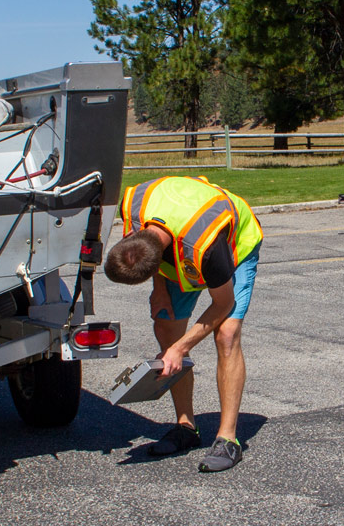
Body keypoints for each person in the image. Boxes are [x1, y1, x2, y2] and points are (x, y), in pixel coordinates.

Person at [104, 176, 263, 472]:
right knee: (165, 325)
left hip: (234, 243)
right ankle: (186, 427)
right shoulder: (134, 210)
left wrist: (180, 349)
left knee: (226, 334)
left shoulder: (207, 245)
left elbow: (223, 303)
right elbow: (151, 251)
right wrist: (159, 290)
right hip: (179, 246)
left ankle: (228, 439)